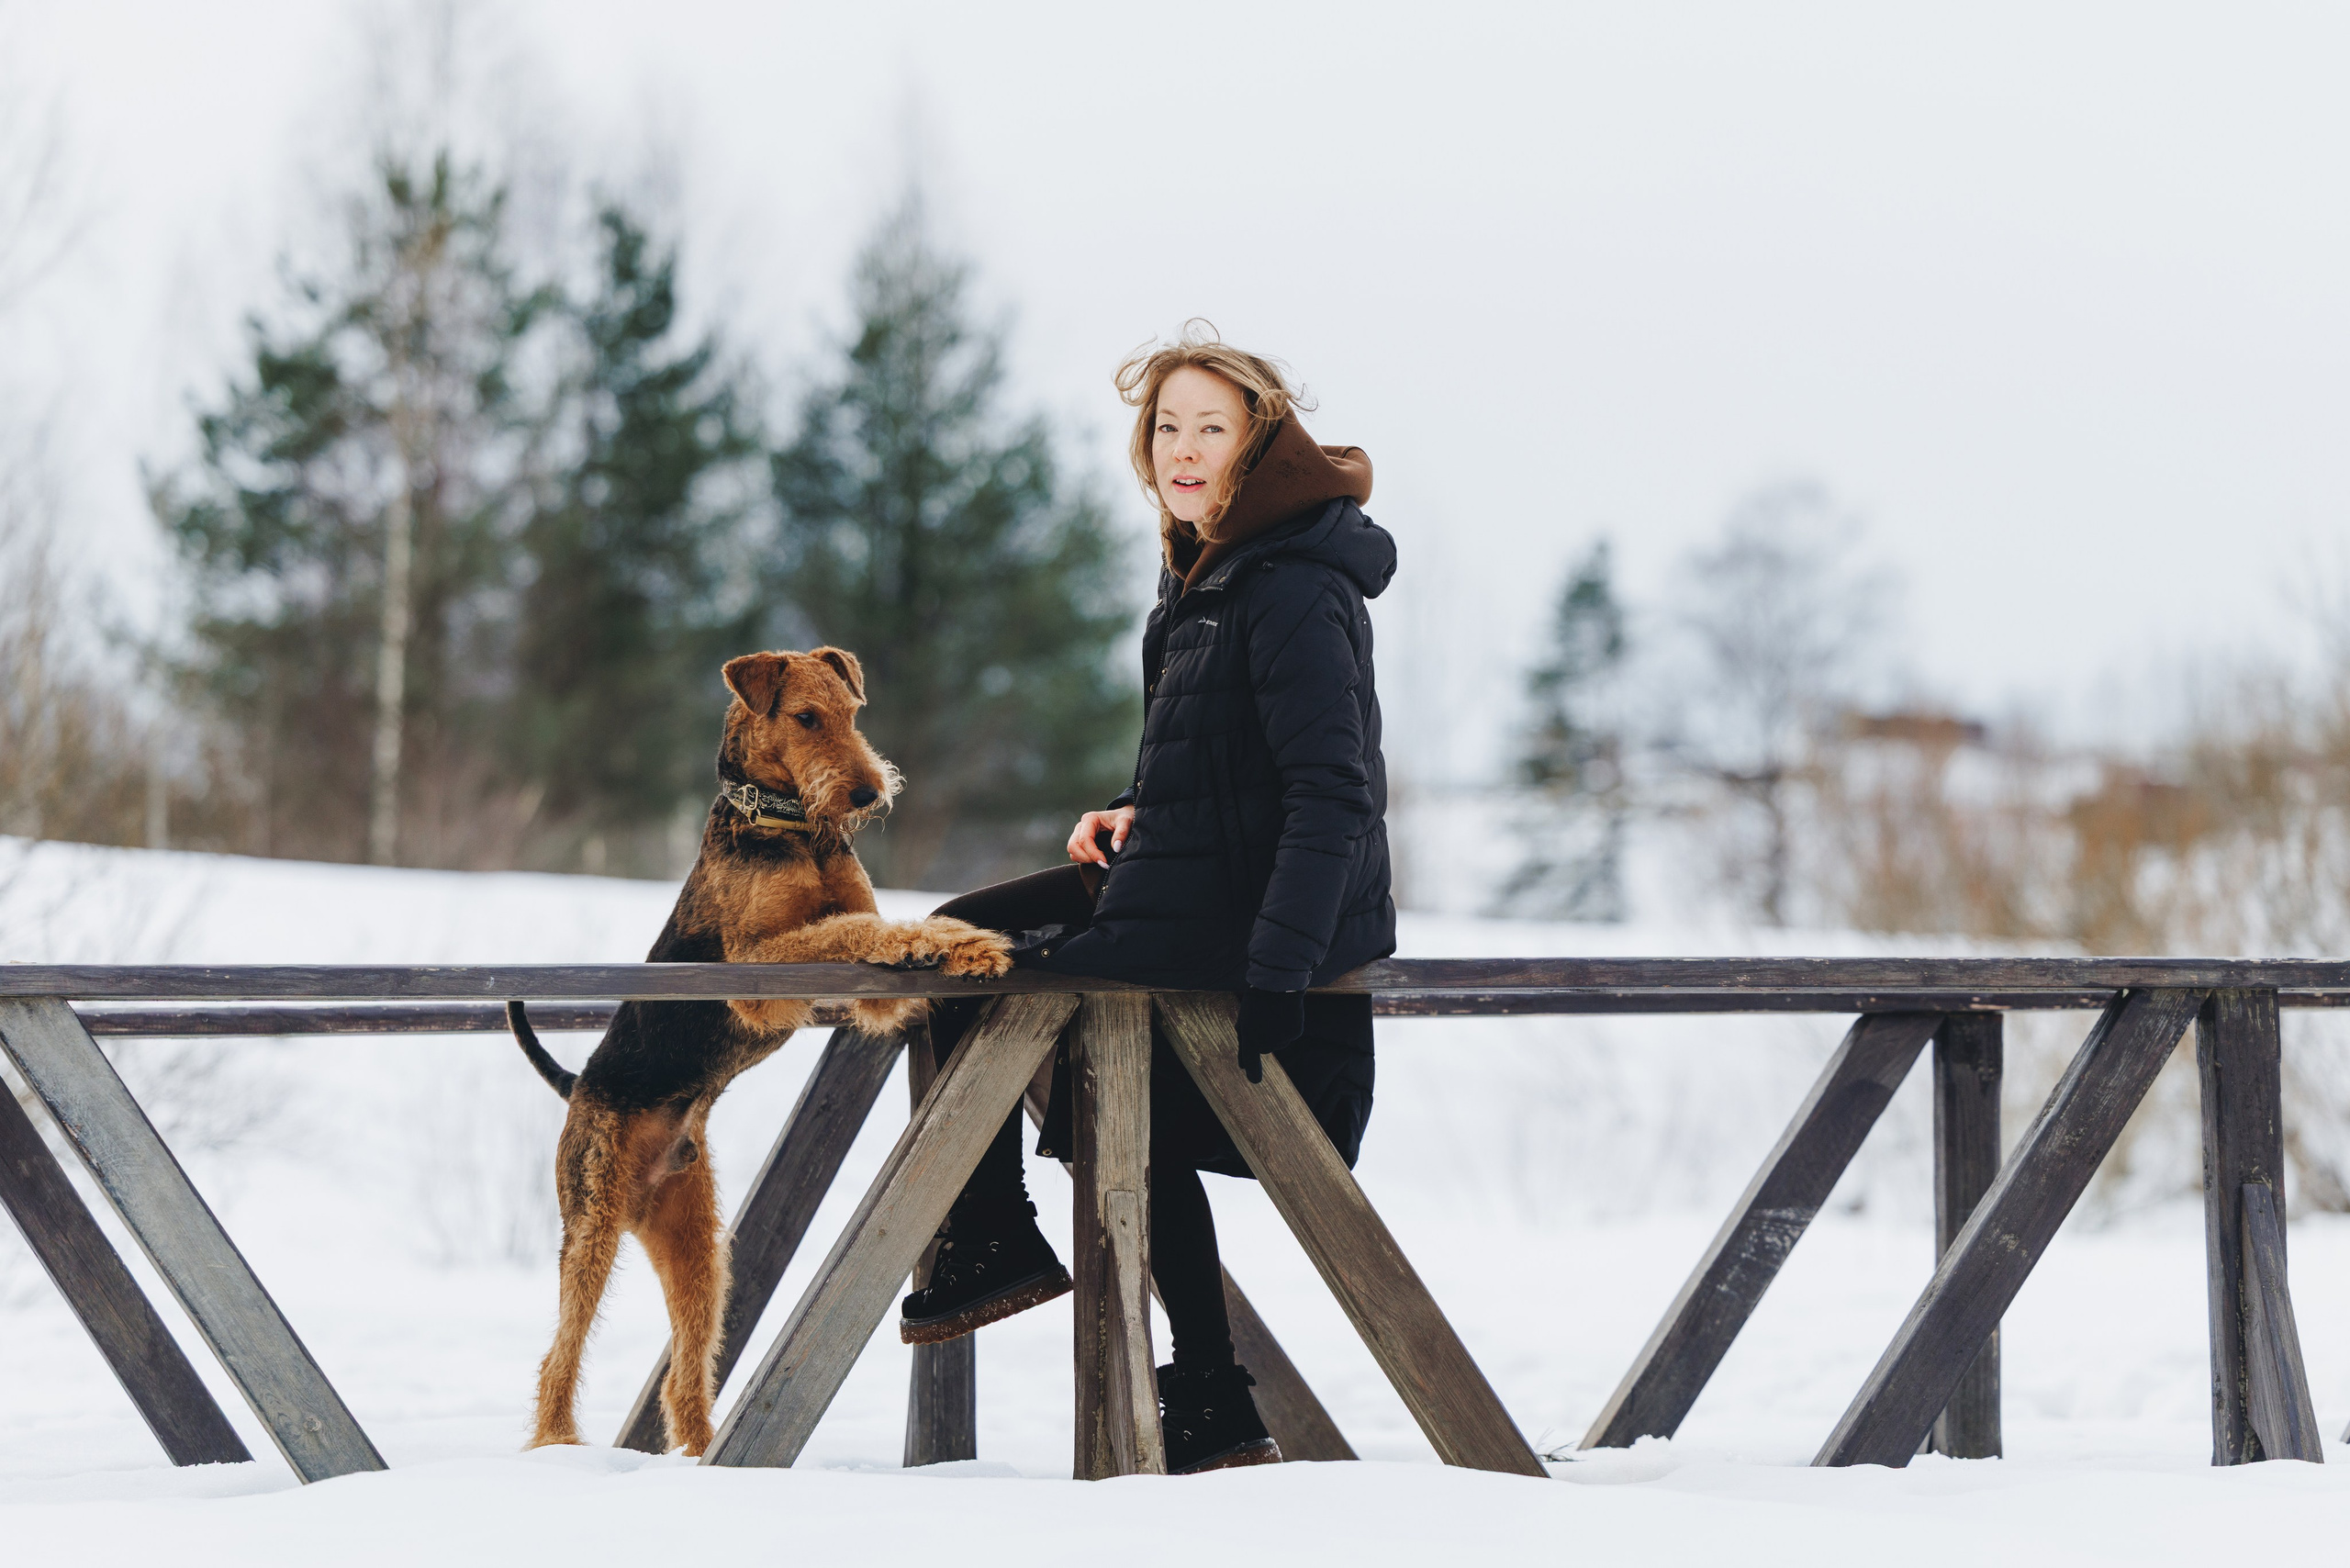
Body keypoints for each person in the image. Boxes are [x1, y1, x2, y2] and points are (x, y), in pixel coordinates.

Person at [898, 323, 1397, 1474]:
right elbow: (1222, 758)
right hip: (1192, 886)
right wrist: (1128, 807)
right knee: (969, 958)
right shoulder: (1206, 577)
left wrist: (1279, 968)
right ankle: (1197, 1387)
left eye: (1209, 428)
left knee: (996, 988)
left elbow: (1333, 795)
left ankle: (995, 1241)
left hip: (1259, 935)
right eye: (1166, 426)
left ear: (1258, 446)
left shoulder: (1289, 589)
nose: (1181, 448)